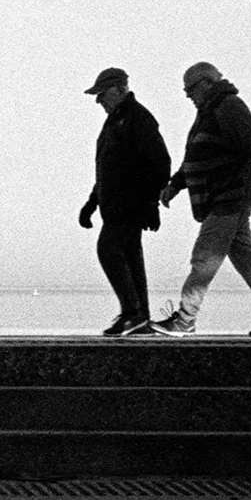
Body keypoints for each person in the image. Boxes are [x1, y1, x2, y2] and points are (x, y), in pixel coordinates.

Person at [146, 60, 251, 337]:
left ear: (207, 83)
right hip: (220, 199)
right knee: (246, 259)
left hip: (230, 197)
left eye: (191, 90)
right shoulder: (209, 111)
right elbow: (197, 156)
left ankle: (185, 319)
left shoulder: (229, 107)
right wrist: (175, 185)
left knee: (204, 258)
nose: (188, 96)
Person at [75, 67, 171, 337]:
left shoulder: (138, 118)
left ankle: (133, 312)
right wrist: (91, 203)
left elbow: (159, 162)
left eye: (102, 95)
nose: (99, 101)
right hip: (114, 205)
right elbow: (108, 168)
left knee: (108, 249)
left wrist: (151, 205)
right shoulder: (115, 121)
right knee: (130, 259)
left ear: (119, 90)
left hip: (131, 203)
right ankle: (140, 318)